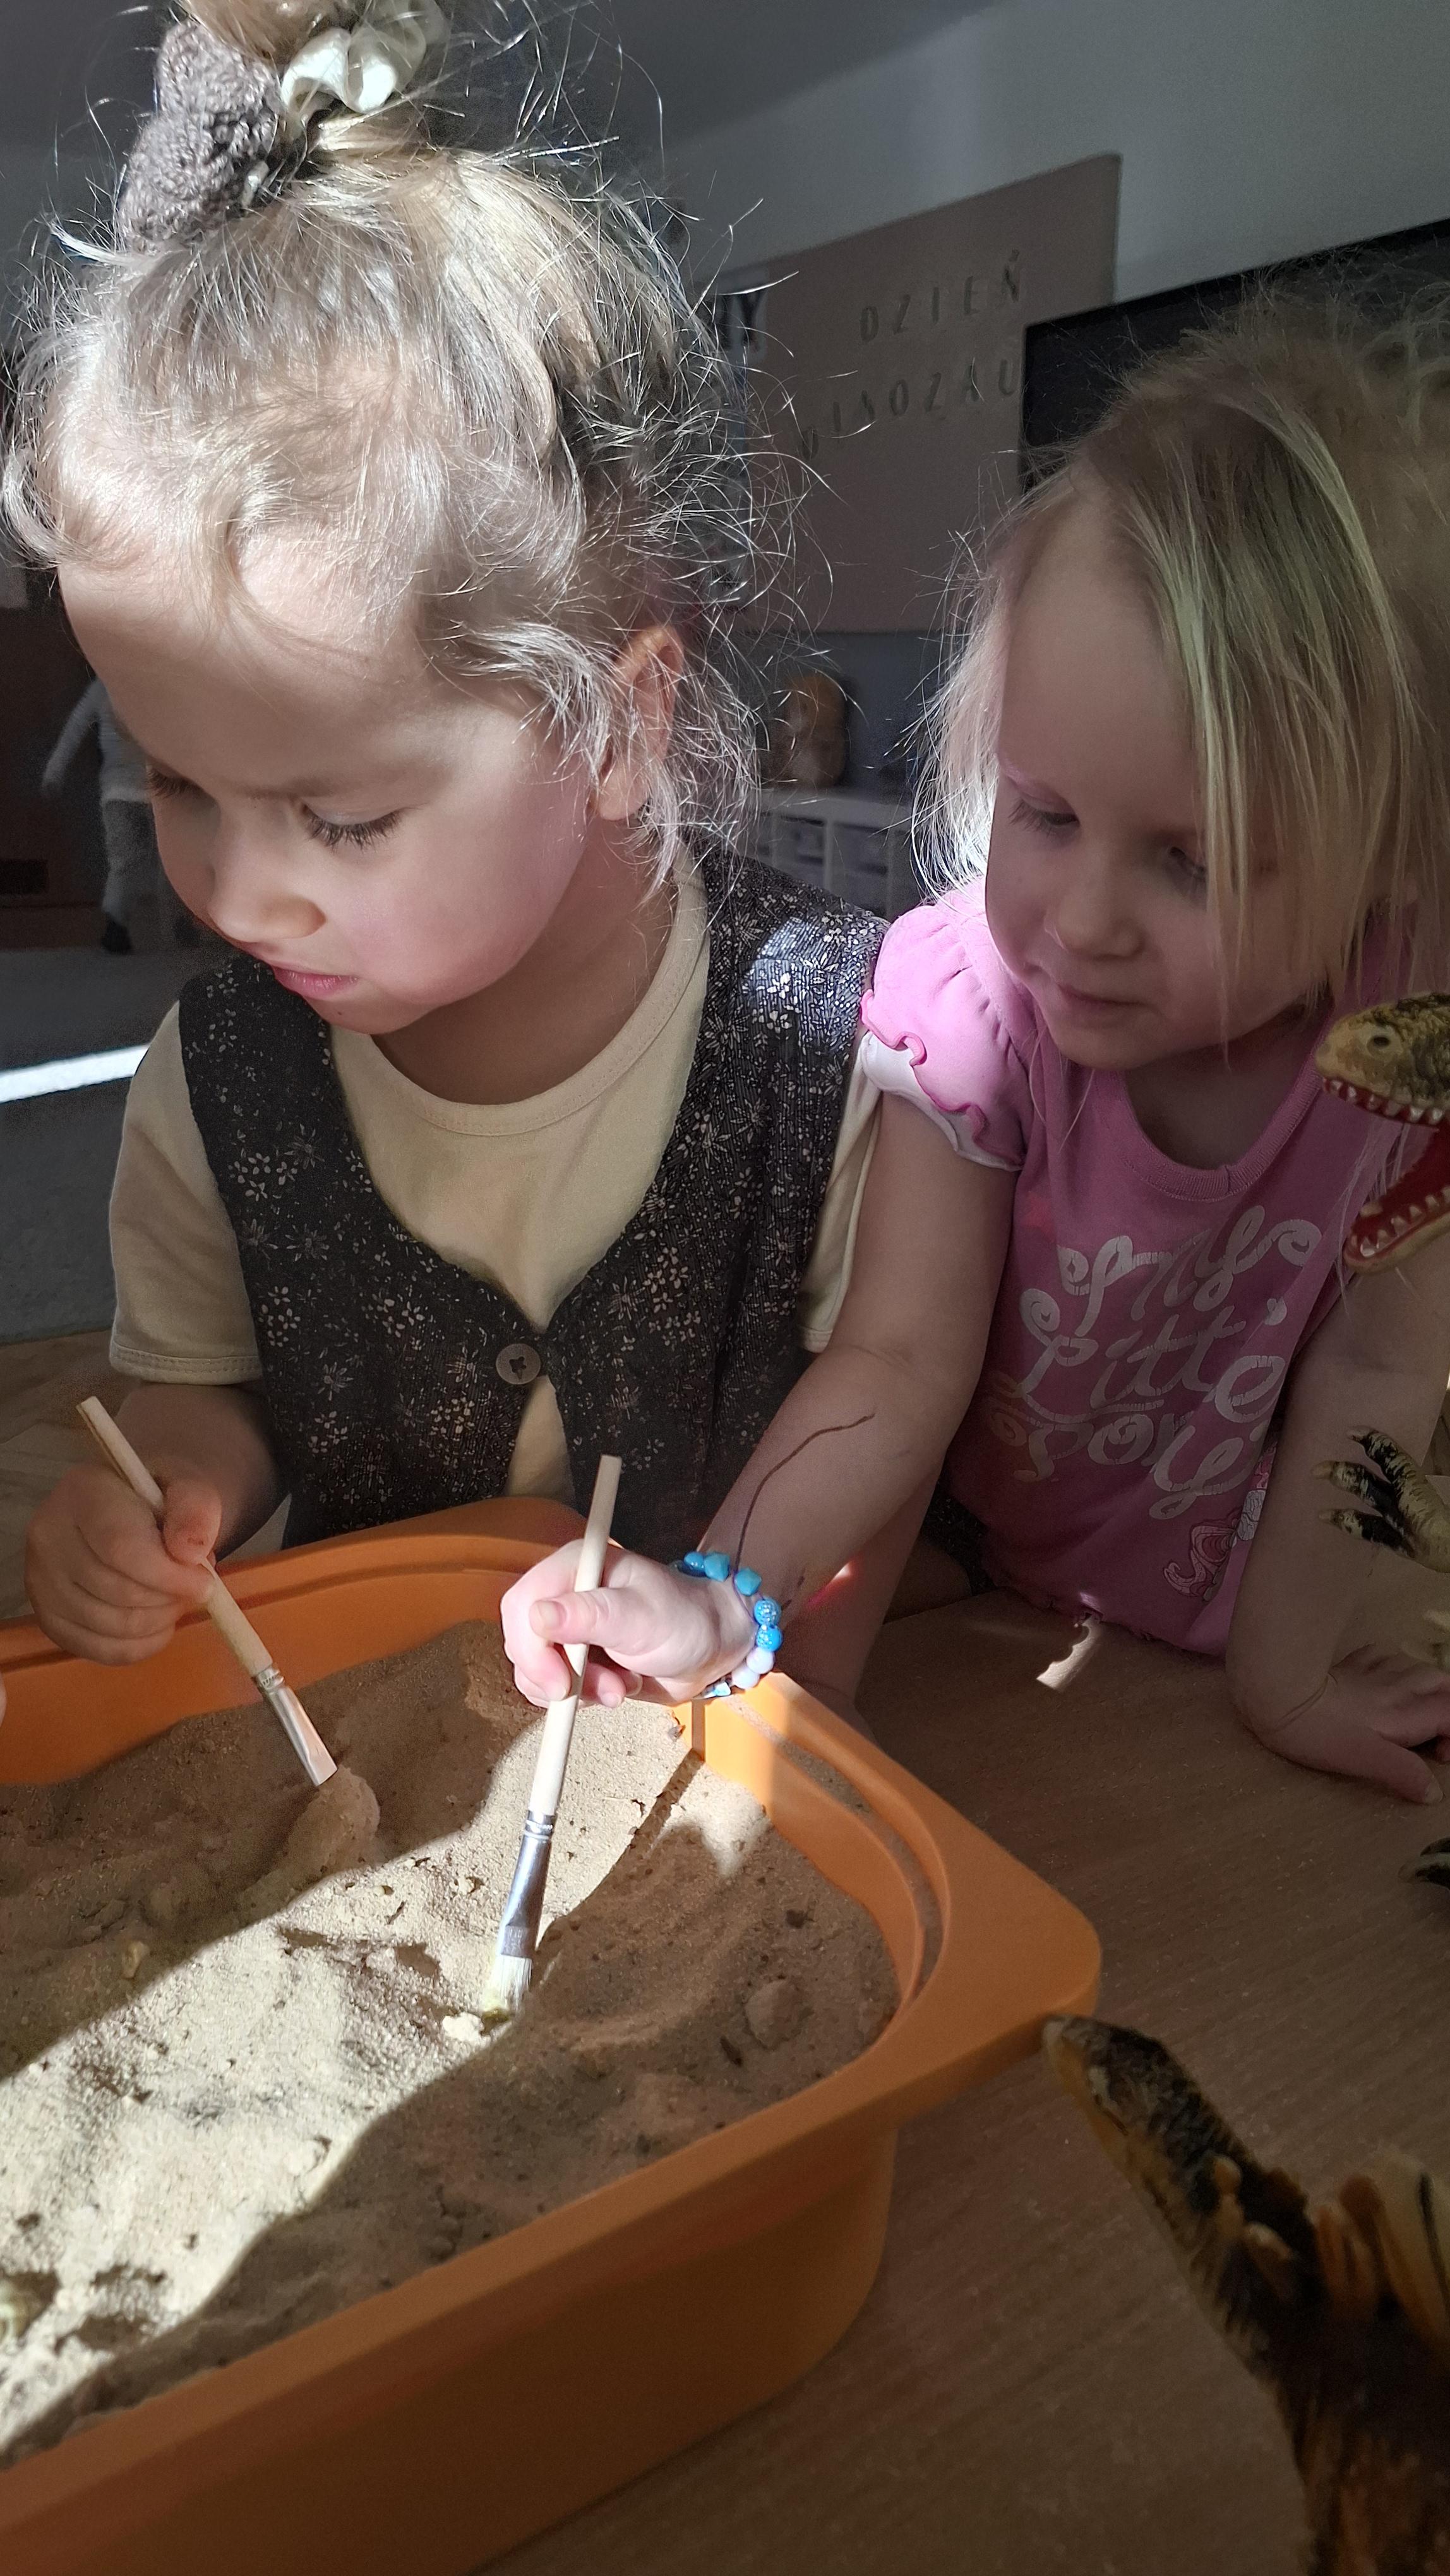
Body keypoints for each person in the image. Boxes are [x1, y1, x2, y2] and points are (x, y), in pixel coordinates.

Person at [13, 0, 887, 1696]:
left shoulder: (833, 1048)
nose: (238, 895)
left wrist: (735, 1593)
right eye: (175, 783)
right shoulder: (223, 1079)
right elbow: (214, 1391)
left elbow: (890, 1397)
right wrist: (165, 1490)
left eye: (342, 817)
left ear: (617, 726)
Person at [503, 294, 1450, 1805]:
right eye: (1045, 813)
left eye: (1189, 861)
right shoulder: (977, 1013)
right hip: (959, 1547)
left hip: (1228, 1575)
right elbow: (896, 1361)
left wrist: (1293, 1671)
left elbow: (1385, 1370)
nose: (1079, 921)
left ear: (1392, 855)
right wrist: (724, 1601)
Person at [42, 675, 197, 952]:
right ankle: (177, 924)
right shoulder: (154, 685)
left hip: (123, 791)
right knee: (169, 861)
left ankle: (118, 925)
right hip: (156, 791)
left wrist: (54, 772)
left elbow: (76, 726)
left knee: (125, 861)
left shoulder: (103, 688)